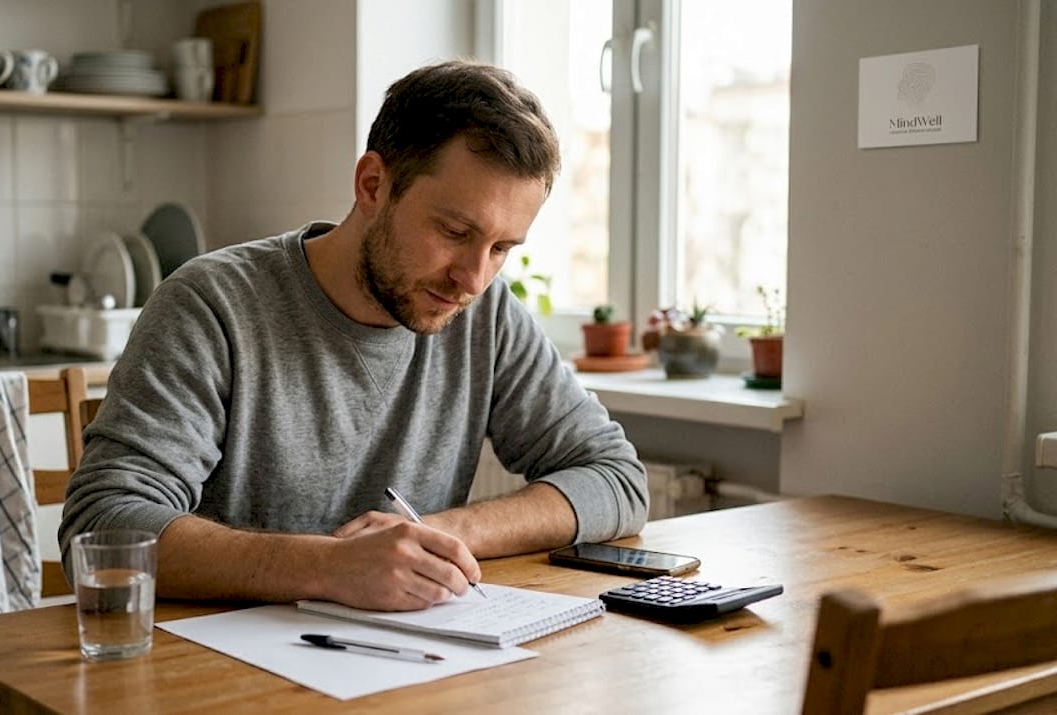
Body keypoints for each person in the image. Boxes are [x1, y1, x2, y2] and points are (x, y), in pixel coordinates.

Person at [60, 60, 649, 612]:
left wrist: (435, 535)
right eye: (453, 230)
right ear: (372, 185)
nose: (473, 277)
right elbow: (102, 524)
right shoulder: (212, 305)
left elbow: (617, 478)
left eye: (501, 249)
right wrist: (330, 566)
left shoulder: (484, 314)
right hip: (212, 669)